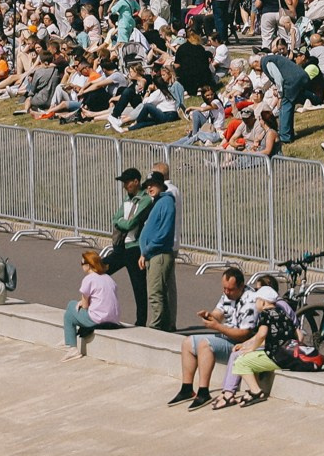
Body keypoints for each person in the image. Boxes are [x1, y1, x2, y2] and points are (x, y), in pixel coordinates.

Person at [168, 266, 256, 410]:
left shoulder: (250, 301)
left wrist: (217, 327)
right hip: (225, 336)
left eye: (230, 289)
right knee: (188, 343)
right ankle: (187, 388)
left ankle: (203, 392)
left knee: (205, 345)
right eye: (224, 288)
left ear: (241, 286)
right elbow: (219, 313)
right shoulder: (228, 295)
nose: (226, 292)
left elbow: (244, 334)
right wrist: (209, 316)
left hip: (239, 344)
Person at [106, 168, 151, 324]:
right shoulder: (127, 199)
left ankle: (141, 322)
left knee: (139, 287)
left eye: (127, 182)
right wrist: (122, 223)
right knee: (99, 270)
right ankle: (99, 309)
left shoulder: (145, 199)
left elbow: (132, 223)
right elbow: (115, 218)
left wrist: (122, 223)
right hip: (121, 248)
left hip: (135, 248)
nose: (125, 186)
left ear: (136, 182)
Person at [62, 247, 123, 359]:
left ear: (88, 265)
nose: (81, 265)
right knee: (74, 310)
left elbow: (85, 306)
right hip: (114, 320)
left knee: (71, 307)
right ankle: (69, 338)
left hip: (98, 319)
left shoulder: (89, 279)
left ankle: (71, 347)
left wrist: (81, 303)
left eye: (82, 262)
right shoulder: (109, 278)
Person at [139, 170, 179, 331]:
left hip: (159, 253)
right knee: (158, 291)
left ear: (161, 185)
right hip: (152, 253)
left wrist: (148, 249)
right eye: (148, 186)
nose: (149, 188)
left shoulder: (166, 202)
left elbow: (164, 232)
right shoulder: (158, 202)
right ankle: (165, 325)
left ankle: (156, 326)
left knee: (155, 293)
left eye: (153, 185)